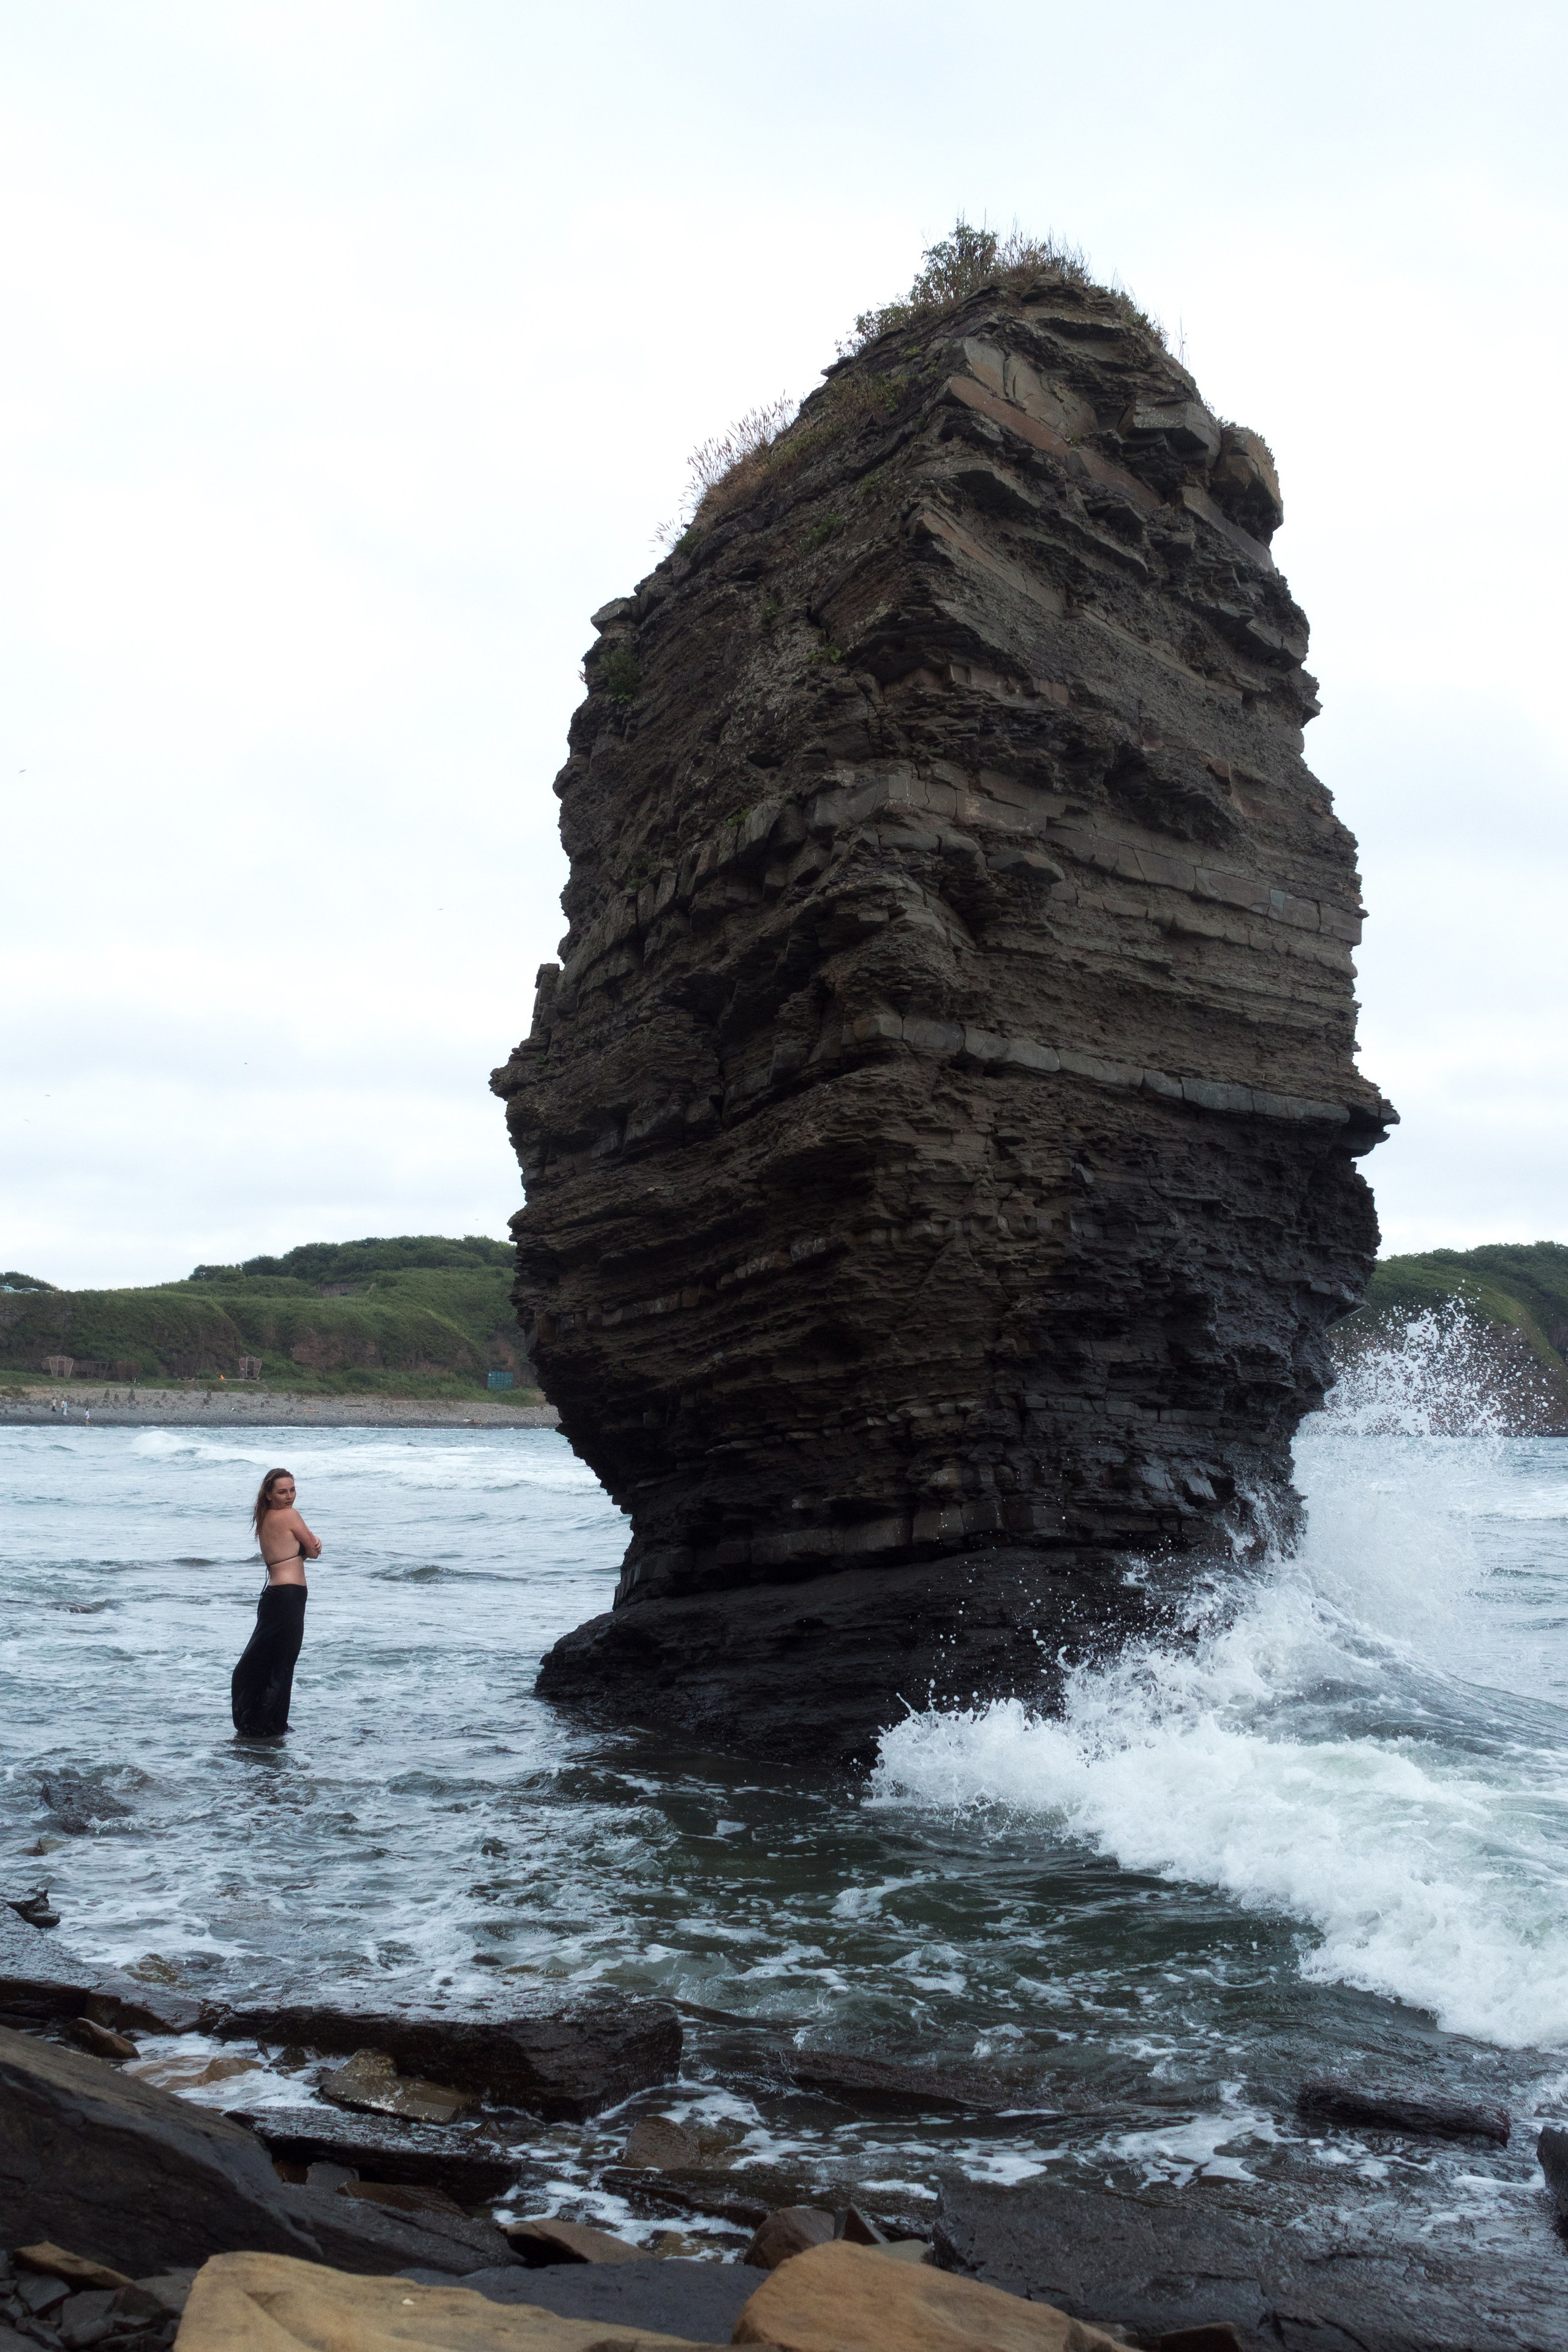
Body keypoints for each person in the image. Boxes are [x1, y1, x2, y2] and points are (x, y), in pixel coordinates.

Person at [231, 1467, 321, 1738]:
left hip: (272, 1596)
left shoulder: (264, 1518)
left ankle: (256, 1721)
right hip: (290, 1596)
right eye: (282, 1492)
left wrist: (304, 1551)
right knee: (282, 1663)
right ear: (269, 1495)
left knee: (264, 1659)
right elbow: (312, 1551)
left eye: (293, 1490)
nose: (289, 1496)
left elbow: (287, 1554)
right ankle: (269, 1726)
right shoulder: (290, 1516)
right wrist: (315, 1544)